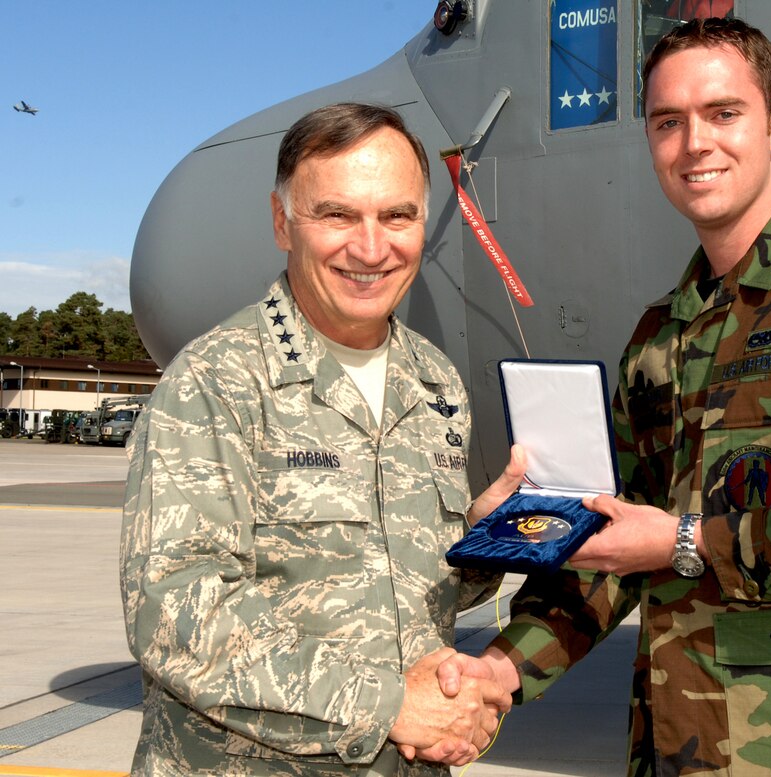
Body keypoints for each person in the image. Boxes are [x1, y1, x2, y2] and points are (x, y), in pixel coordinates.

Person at [443, 17, 771, 777]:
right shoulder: (659, 336)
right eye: (668, 122)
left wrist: (690, 541)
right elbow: (612, 545)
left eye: (723, 113)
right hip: (674, 747)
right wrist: (501, 669)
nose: (695, 143)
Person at [120, 102, 525, 776]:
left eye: (397, 216)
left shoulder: (434, 381)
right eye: (337, 215)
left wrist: (478, 546)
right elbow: (175, 613)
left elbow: (404, 587)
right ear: (283, 222)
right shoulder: (217, 380)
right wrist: (389, 706)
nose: (370, 248)